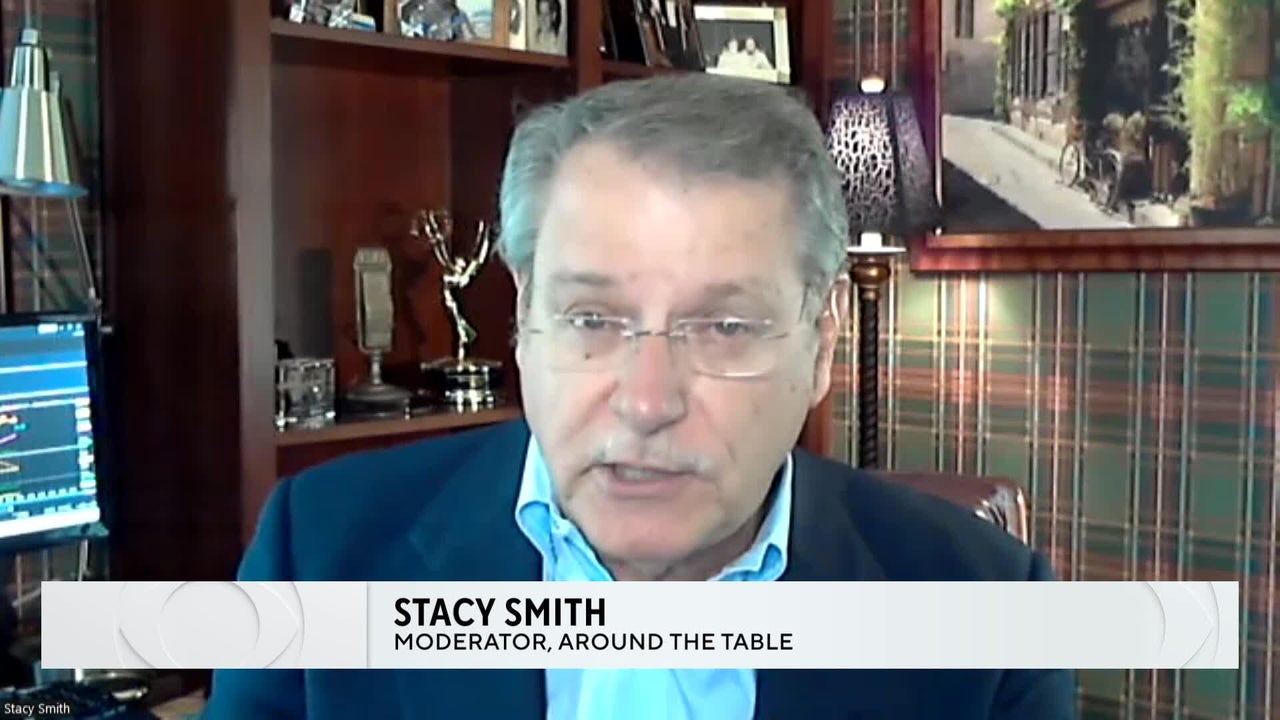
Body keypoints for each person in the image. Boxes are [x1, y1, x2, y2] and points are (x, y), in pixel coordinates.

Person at [203, 74, 1076, 719]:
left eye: (724, 327)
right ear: (522, 319)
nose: (648, 402)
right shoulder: (321, 553)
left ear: (823, 340)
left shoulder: (990, 617)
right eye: (592, 318)